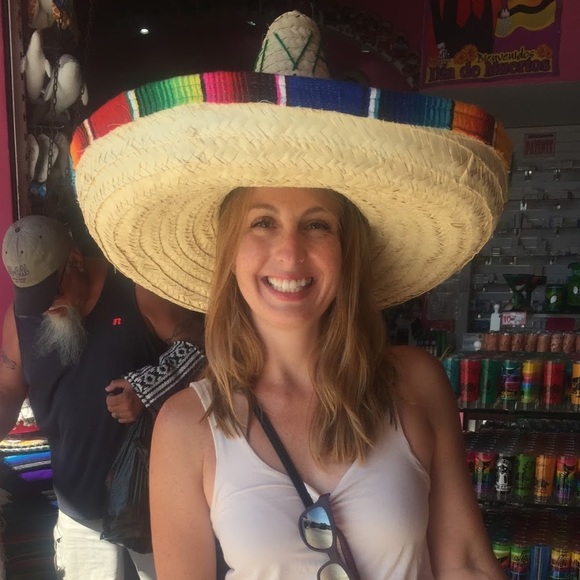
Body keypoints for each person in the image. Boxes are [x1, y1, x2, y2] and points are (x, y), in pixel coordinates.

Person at [69, 10, 512, 580]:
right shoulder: (187, 425)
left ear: (347, 248)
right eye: (262, 222)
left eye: (318, 224)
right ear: (230, 249)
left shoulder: (415, 385)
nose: (289, 253)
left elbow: (468, 564)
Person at [0, 214, 206, 580]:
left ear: (75, 260)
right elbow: (7, 388)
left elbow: (204, 348)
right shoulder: (20, 317)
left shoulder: (136, 289)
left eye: (53, 294)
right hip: (79, 511)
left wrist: (148, 388)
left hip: (155, 504)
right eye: (35, 301)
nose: (46, 308)